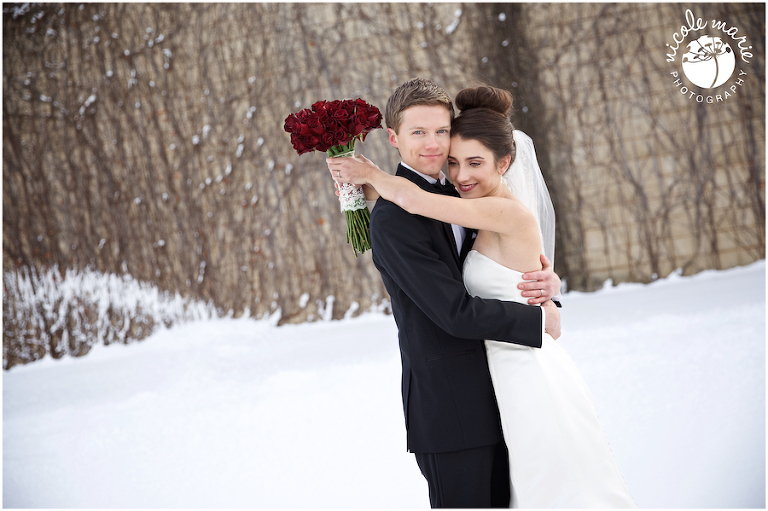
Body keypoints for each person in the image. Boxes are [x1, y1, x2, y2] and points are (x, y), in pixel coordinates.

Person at [328, 84, 636, 508]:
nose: (435, 145)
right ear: (393, 138)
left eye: (441, 131)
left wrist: (548, 292)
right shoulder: (394, 220)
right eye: (419, 133)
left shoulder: (465, 194)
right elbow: (453, 312)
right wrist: (537, 321)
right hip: (452, 411)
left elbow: (510, 266)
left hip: (506, 396)